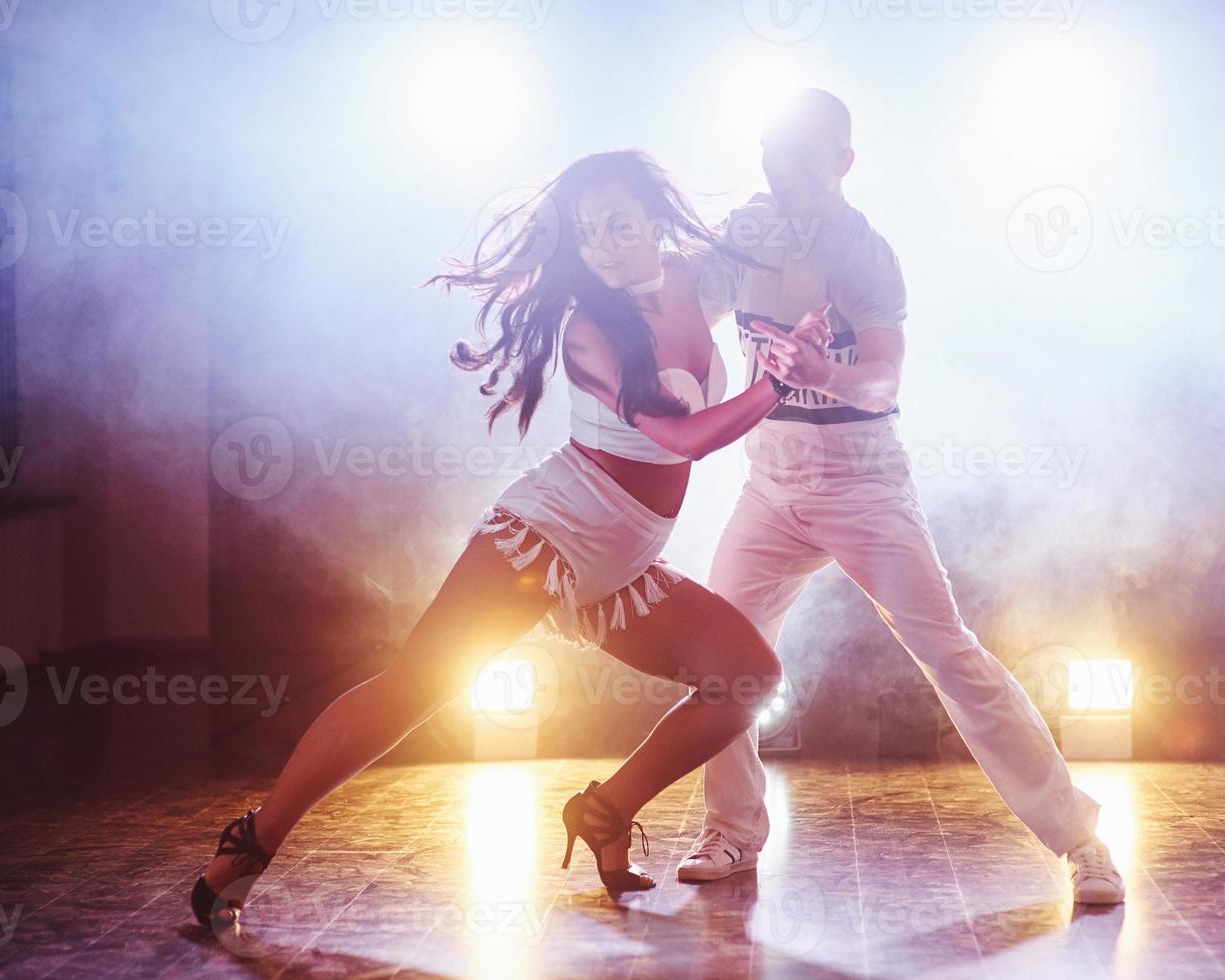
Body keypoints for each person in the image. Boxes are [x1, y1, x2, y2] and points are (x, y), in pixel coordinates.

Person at [191, 150, 791, 926]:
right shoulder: (591, 334)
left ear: (654, 218)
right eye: (587, 233)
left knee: (746, 677)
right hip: (548, 533)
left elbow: (772, 224)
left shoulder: (692, 280)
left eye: (618, 224)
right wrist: (777, 383)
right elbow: (683, 440)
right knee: (418, 686)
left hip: (625, 557)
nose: (604, 246)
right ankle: (251, 843)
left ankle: (606, 812)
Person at [680, 89, 1126, 905]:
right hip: (771, 485)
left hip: (862, 483)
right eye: (771, 156)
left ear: (844, 162)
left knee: (953, 656)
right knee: (720, 657)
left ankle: (1082, 842)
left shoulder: (866, 256)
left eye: (802, 159)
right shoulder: (745, 231)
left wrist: (827, 374)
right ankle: (732, 831)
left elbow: (884, 377)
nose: (782, 174)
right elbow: (688, 312)